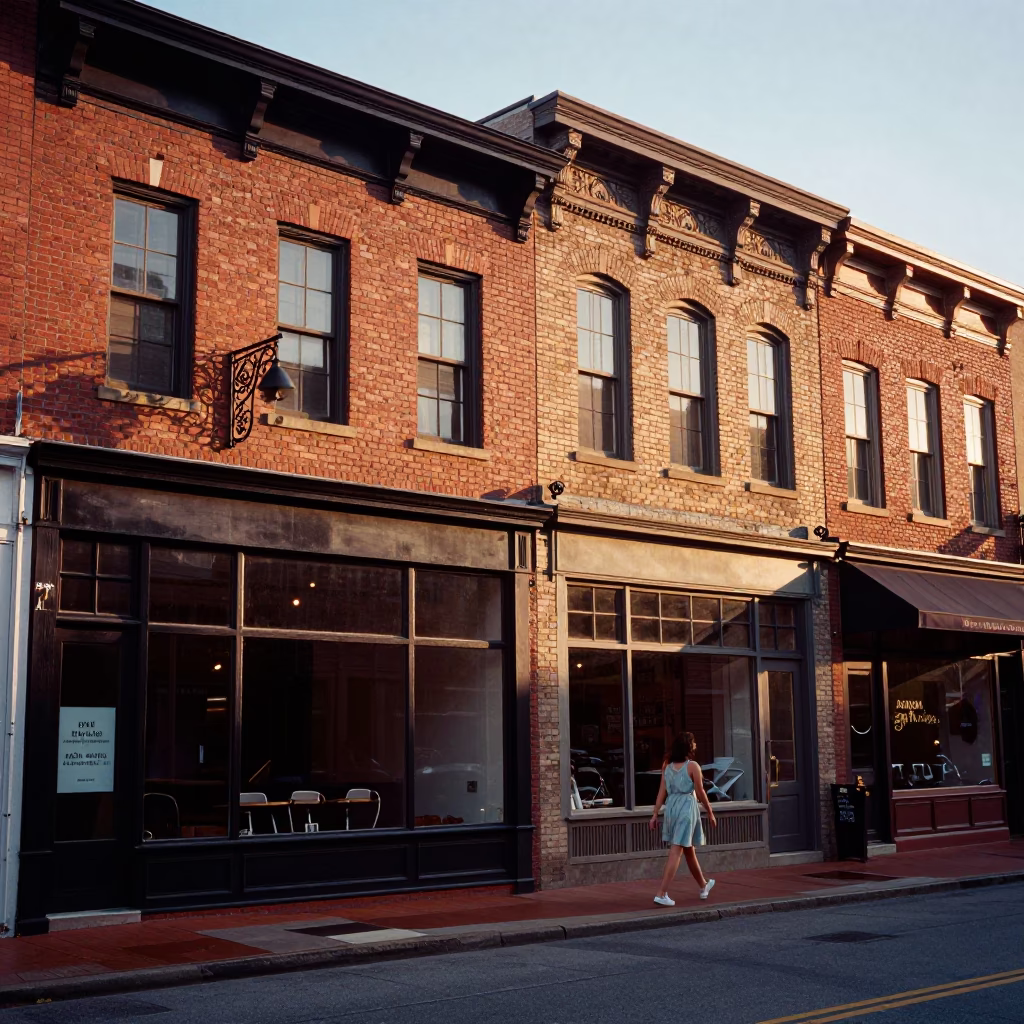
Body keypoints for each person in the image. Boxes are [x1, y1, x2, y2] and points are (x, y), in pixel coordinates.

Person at [648, 731, 716, 905]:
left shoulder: (667, 766)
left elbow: (661, 792)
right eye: (693, 743)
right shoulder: (692, 766)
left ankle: (703, 886)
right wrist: (710, 812)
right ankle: (662, 893)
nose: (695, 746)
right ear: (688, 747)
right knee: (677, 850)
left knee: (688, 849)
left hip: (671, 808)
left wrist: (655, 814)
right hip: (686, 807)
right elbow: (700, 793)